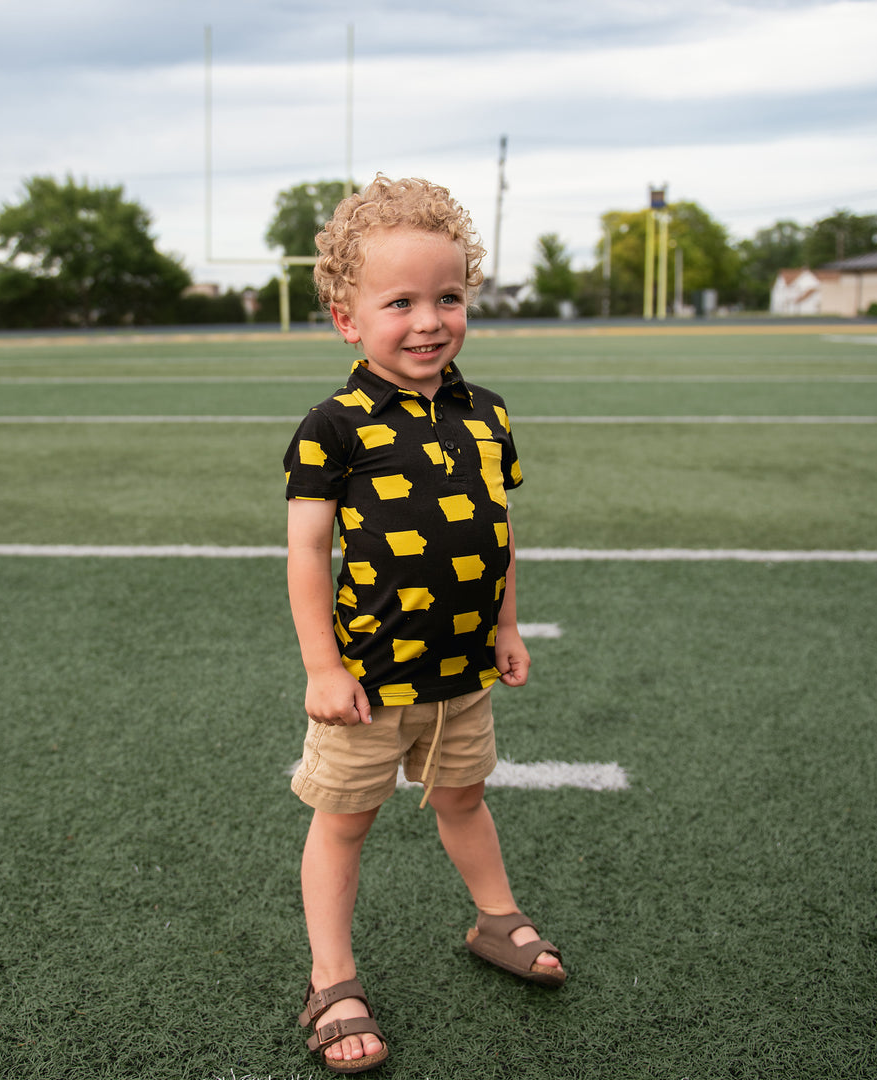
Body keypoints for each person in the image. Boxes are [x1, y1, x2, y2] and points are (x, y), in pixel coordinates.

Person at [283, 175, 565, 1074]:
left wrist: (508, 627)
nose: (429, 320)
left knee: (463, 798)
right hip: (369, 681)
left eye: (448, 297)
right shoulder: (334, 426)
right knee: (344, 822)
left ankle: (495, 918)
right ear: (346, 319)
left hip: (460, 673)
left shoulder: (487, 413)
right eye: (399, 301)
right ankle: (332, 976)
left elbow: (498, 530)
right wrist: (324, 669)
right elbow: (306, 556)